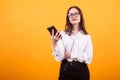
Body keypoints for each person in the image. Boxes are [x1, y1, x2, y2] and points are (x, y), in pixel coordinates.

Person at [50, 6, 93, 80]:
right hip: (66, 70)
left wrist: (71, 54)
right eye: (70, 14)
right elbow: (60, 57)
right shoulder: (62, 34)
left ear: (80, 16)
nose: (73, 16)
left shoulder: (86, 36)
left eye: (76, 14)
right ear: (68, 18)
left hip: (82, 72)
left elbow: (89, 58)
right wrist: (54, 44)